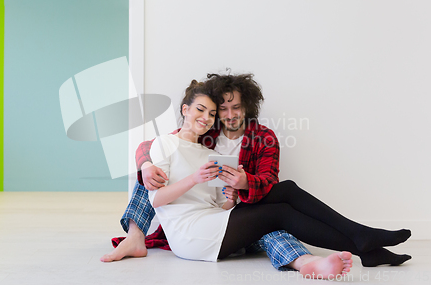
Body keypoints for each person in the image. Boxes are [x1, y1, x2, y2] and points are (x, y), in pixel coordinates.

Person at [102, 73, 411, 273]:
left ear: (247, 107)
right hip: (210, 226)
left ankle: (357, 244)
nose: (226, 115)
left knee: (283, 199)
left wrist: (242, 186)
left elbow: (265, 184)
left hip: (238, 213)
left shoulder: (263, 137)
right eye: (219, 109)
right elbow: (154, 146)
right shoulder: (202, 136)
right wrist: (144, 164)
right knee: (150, 175)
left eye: (234, 107)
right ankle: (362, 241)